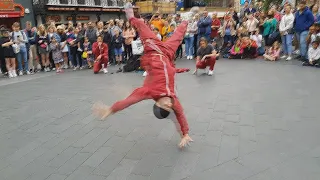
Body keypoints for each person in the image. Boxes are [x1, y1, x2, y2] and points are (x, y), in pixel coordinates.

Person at [93, 3, 193, 148]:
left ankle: (131, 17)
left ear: (157, 103)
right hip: (167, 53)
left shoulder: (149, 91)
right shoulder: (173, 100)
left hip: (152, 48)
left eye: (165, 106)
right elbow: (180, 116)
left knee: (142, 26)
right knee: (179, 34)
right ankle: (187, 18)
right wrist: (185, 134)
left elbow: (128, 101)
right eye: (169, 107)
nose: (169, 104)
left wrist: (110, 110)